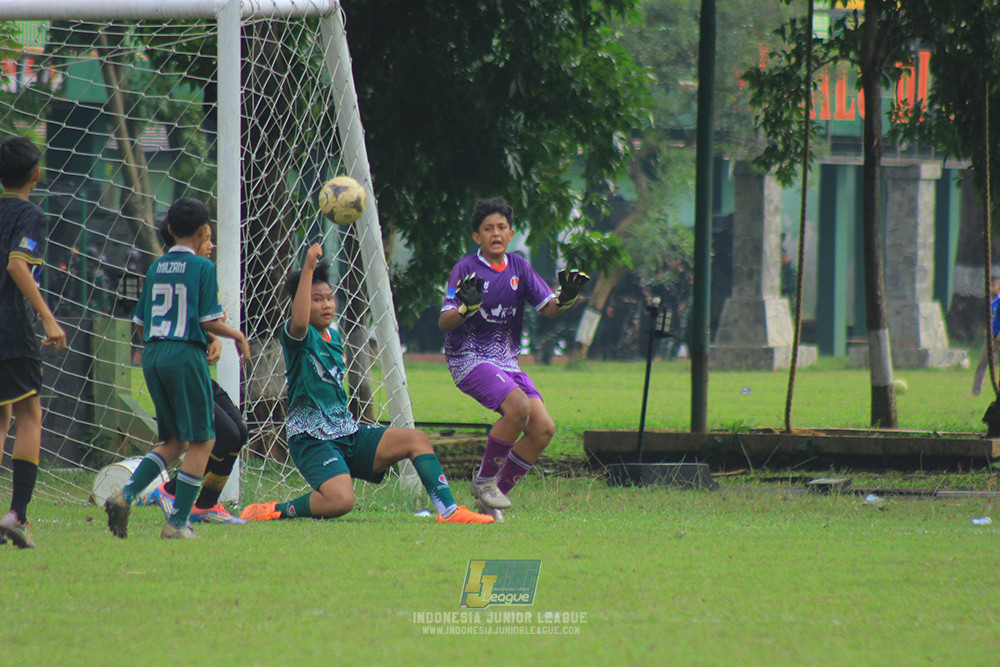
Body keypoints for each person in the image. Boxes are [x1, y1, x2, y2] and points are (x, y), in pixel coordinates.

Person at [239, 243, 493, 524]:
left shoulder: (333, 337)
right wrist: (308, 266)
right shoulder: (298, 337)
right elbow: (298, 321)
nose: (326, 305)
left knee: (416, 440)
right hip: (312, 439)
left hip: (347, 433)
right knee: (341, 501)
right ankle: (278, 509)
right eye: (316, 299)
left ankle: (449, 511)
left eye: (329, 298)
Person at [104, 198, 250, 540]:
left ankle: (123, 495)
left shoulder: (155, 268)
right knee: (205, 439)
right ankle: (178, 522)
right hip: (185, 356)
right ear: (203, 231)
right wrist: (236, 335)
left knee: (175, 440)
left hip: (153, 354)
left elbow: (139, 324)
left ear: (169, 229)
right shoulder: (202, 268)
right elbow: (208, 319)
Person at [438, 197, 589, 521]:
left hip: (506, 362)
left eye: (502, 227)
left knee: (543, 429)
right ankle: (484, 482)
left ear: (511, 233)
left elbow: (548, 308)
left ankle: (492, 498)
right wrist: (466, 308)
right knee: (518, 408)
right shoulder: (466, 269)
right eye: (488, 228)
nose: (496, 233)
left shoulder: (519, 266)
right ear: (477, 236)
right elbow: (445, 320)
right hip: (469, 358)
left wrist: (567, 298)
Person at [136, 218, 248, 525]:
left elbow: (183, 320)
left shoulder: (174, 273)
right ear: (197, 234)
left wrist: (211, 340)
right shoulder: (196, 270)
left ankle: (203, 505)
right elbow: (200, 321)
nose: (211, 245)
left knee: (237, 432)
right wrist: (227, 335)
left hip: (185, 363)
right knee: (211, 437)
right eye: (208, 237)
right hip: (184, 365)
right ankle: (172, 495)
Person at [0, 136, 67, 549]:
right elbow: (17, 265)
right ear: (36, 176)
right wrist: (48, 317)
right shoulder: (30, 214)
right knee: (29, 415)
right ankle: (17, 516)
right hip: (12, 329)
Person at [970, 277, 1000, 397]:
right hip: (991, 337)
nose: (991, 288)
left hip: (997, 337)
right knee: (982, 362)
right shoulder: (992, 302)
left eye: (993, 285)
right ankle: (975, 391)